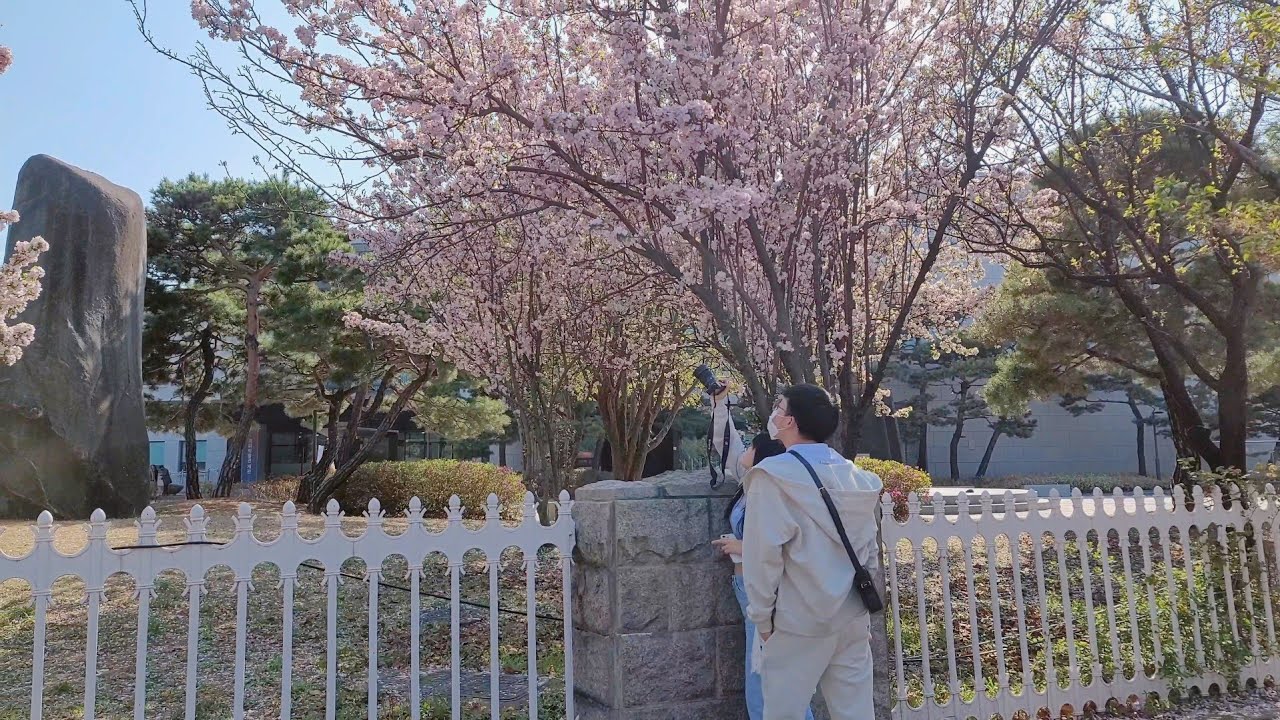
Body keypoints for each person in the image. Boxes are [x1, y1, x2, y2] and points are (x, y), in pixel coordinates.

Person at [745, 384, 882, 720]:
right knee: (856, 713)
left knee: (783, 713)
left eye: (779, 407)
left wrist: (763, 619)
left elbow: (762, 557)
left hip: (798, 620)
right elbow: (870, 554)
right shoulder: (859, 479)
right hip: (851, 616)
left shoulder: (773, 477)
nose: (774, 413)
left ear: (790, 421)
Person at [708, 390, 815, 720]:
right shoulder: (751, 482)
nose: (746, 450)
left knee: (766, 675)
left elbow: (791, 543)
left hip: (770, 589)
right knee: (766, 672)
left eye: (752, 446)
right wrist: (719, 405)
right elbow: (727, 447)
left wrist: (741, 547)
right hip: (749, 588)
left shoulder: (776, 484)